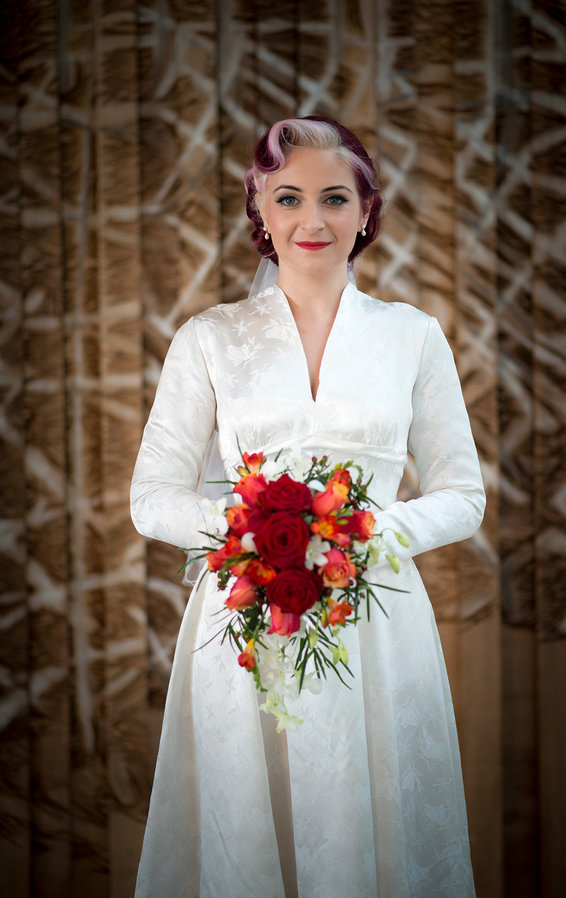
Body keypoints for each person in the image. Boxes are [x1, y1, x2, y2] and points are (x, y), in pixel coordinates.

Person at [130, 116, 485, 898]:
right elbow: (150, 499)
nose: (311, 220)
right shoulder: (210, 338)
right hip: (246, 623)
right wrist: (255, 534)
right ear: (261, 211)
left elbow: (464, 497)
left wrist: (360, 532)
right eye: (288, 198)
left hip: (377, 621)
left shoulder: (412, 337)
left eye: (334, 197)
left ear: (366, 211)